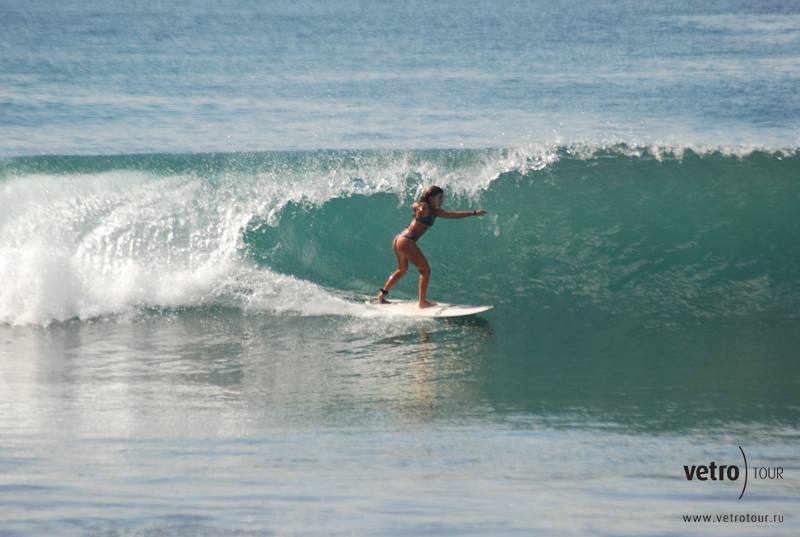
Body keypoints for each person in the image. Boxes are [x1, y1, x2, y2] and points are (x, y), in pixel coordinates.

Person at [377, 186, 487, 308]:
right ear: (431, 198)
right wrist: (418, 206)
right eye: (439, 198)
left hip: (399, 239)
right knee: (426, 271)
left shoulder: (437, 212)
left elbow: (455, 215)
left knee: (402, 270)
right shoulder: (425, 207)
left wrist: (474, 213)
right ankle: (422, 302)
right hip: (406, 240)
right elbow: (416, 204)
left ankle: (382, 295)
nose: (442, 200)